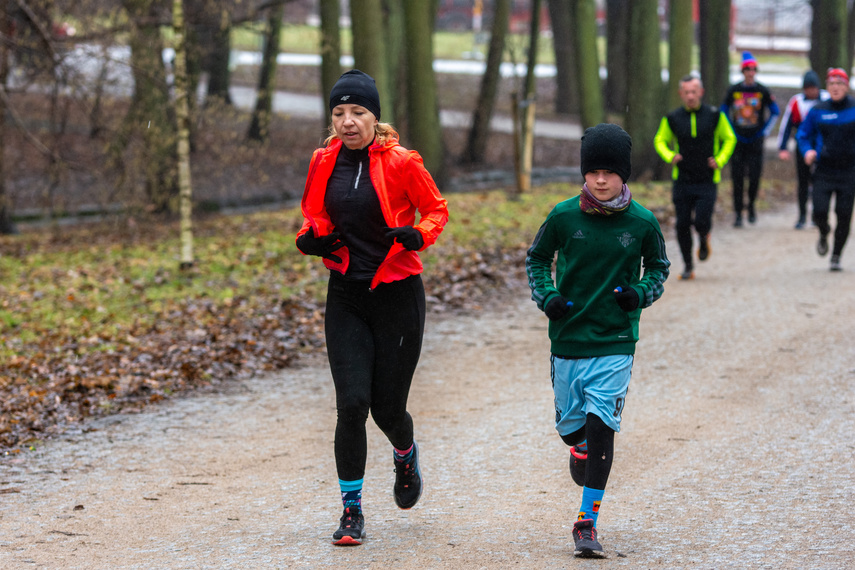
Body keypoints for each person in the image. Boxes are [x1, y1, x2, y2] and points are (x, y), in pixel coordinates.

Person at [295, 69, 449, 545]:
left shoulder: (403, 162)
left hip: (397, 295)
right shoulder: (323, 161)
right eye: (339, 113)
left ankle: (405, 453)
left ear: (374, 117)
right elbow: (313, 215)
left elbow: (436, 209)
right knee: (351, 405)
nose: (347, 121)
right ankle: (351, 511)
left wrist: (417, 235)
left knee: (387, 409)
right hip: (345, 295)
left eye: (357, 112)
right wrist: (311, 240)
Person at [525, 123, 670, 558]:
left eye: (610, 171)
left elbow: (658, 268)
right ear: (583, 173)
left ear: (624, 174)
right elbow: (536, 260)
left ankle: (586, 522)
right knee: (573, 432)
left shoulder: (642, 222)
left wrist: (640, 294)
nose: (601, 180)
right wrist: (548, 297)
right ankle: (581, 445)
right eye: (594, 172)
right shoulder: (563, 216)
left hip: (615, 340)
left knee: (602, 426)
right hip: (569, 337)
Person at [654, 74, 736, 281]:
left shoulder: (715, 115)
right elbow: (660, 141)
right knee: (682, 224)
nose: (690, 96)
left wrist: (720, 159)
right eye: (686, 92)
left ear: (701, 92)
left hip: (707, 179)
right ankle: (688, 264)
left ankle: (703, 237)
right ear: (681, 94)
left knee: (701, 220)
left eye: (694, 91)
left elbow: (729, 138)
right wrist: (670, 156)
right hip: (682, 179)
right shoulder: (672, 118)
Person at [796, 67, 855, 272]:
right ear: (827, 87)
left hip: (849, 172)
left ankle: (836, 255)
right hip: (824, 170)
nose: (836, 88)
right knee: (819, 211)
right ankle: (823, 232)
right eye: (832, 84)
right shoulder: (818, 110)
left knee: (844, 214)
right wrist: (807, 151)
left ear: (847, 86)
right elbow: (803, 134)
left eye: (840, 84)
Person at [721, 51, 780, 227]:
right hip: (737, 141)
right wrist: (730, 130)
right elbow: (723, 110)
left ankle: (752, 206)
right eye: (747, 69)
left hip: (756, 141)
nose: (750, 72)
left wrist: (765, 131)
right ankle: (738, 214)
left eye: (753, 69)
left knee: (754, 177)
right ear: (742, 71)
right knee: (737, 178)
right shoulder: (734, 90)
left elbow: (775, 111)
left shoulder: (762, 90)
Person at [777, 70, 830, 229]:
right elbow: (786, 125)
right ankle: (801, 216)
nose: (811, 91)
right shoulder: (796, 102)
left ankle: (817, 215)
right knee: (803, 182)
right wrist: (783, 147)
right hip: (802, 147)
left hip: (823, 147)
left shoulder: (827, 99)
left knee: (819, 182)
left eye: (813, 88)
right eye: (807, 88)